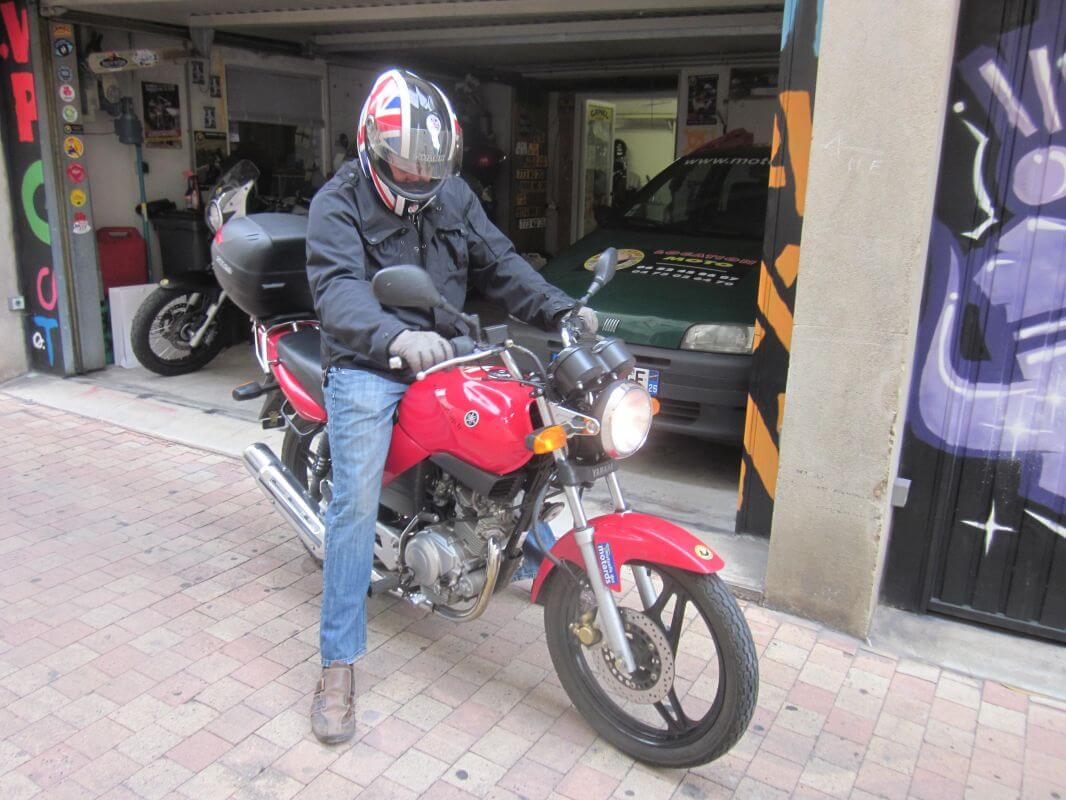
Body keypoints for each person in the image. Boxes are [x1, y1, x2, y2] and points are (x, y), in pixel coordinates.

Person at [304, 69, 597, 744]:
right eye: (405, 163)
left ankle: (509, 547)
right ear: (372, 146)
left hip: (450, 352)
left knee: (527, 433)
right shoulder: (337, 202)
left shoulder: (453, 195)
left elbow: (501, 263)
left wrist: (562, 312)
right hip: (370, 362)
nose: (417, 175)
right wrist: (394, 338)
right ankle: (338, 662)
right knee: (353, 502)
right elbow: (339, 291)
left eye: (429, 165)